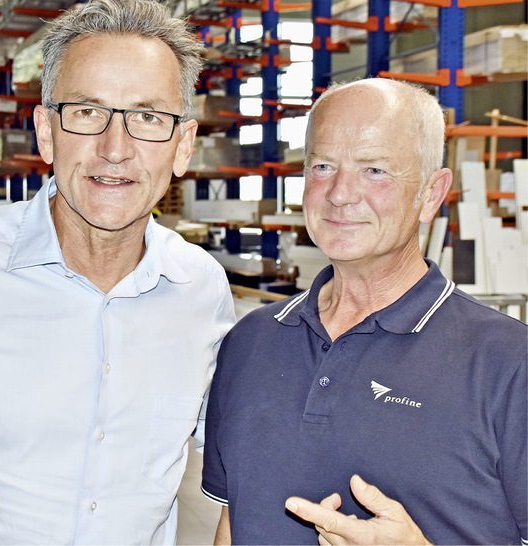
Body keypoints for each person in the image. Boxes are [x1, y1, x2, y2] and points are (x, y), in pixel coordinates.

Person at [0, 0, 235, 543]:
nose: (116, 150)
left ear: (183, 145)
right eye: (87, 112)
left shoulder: (201, 289)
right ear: (46, 132)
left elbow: (246, 462)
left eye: (147, 117)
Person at [201, 78, 527, 545]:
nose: (339, 193)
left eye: (374, 170)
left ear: (431, 194)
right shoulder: (249, 341)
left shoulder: (509, 364)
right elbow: (235, 522)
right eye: (322, 166)